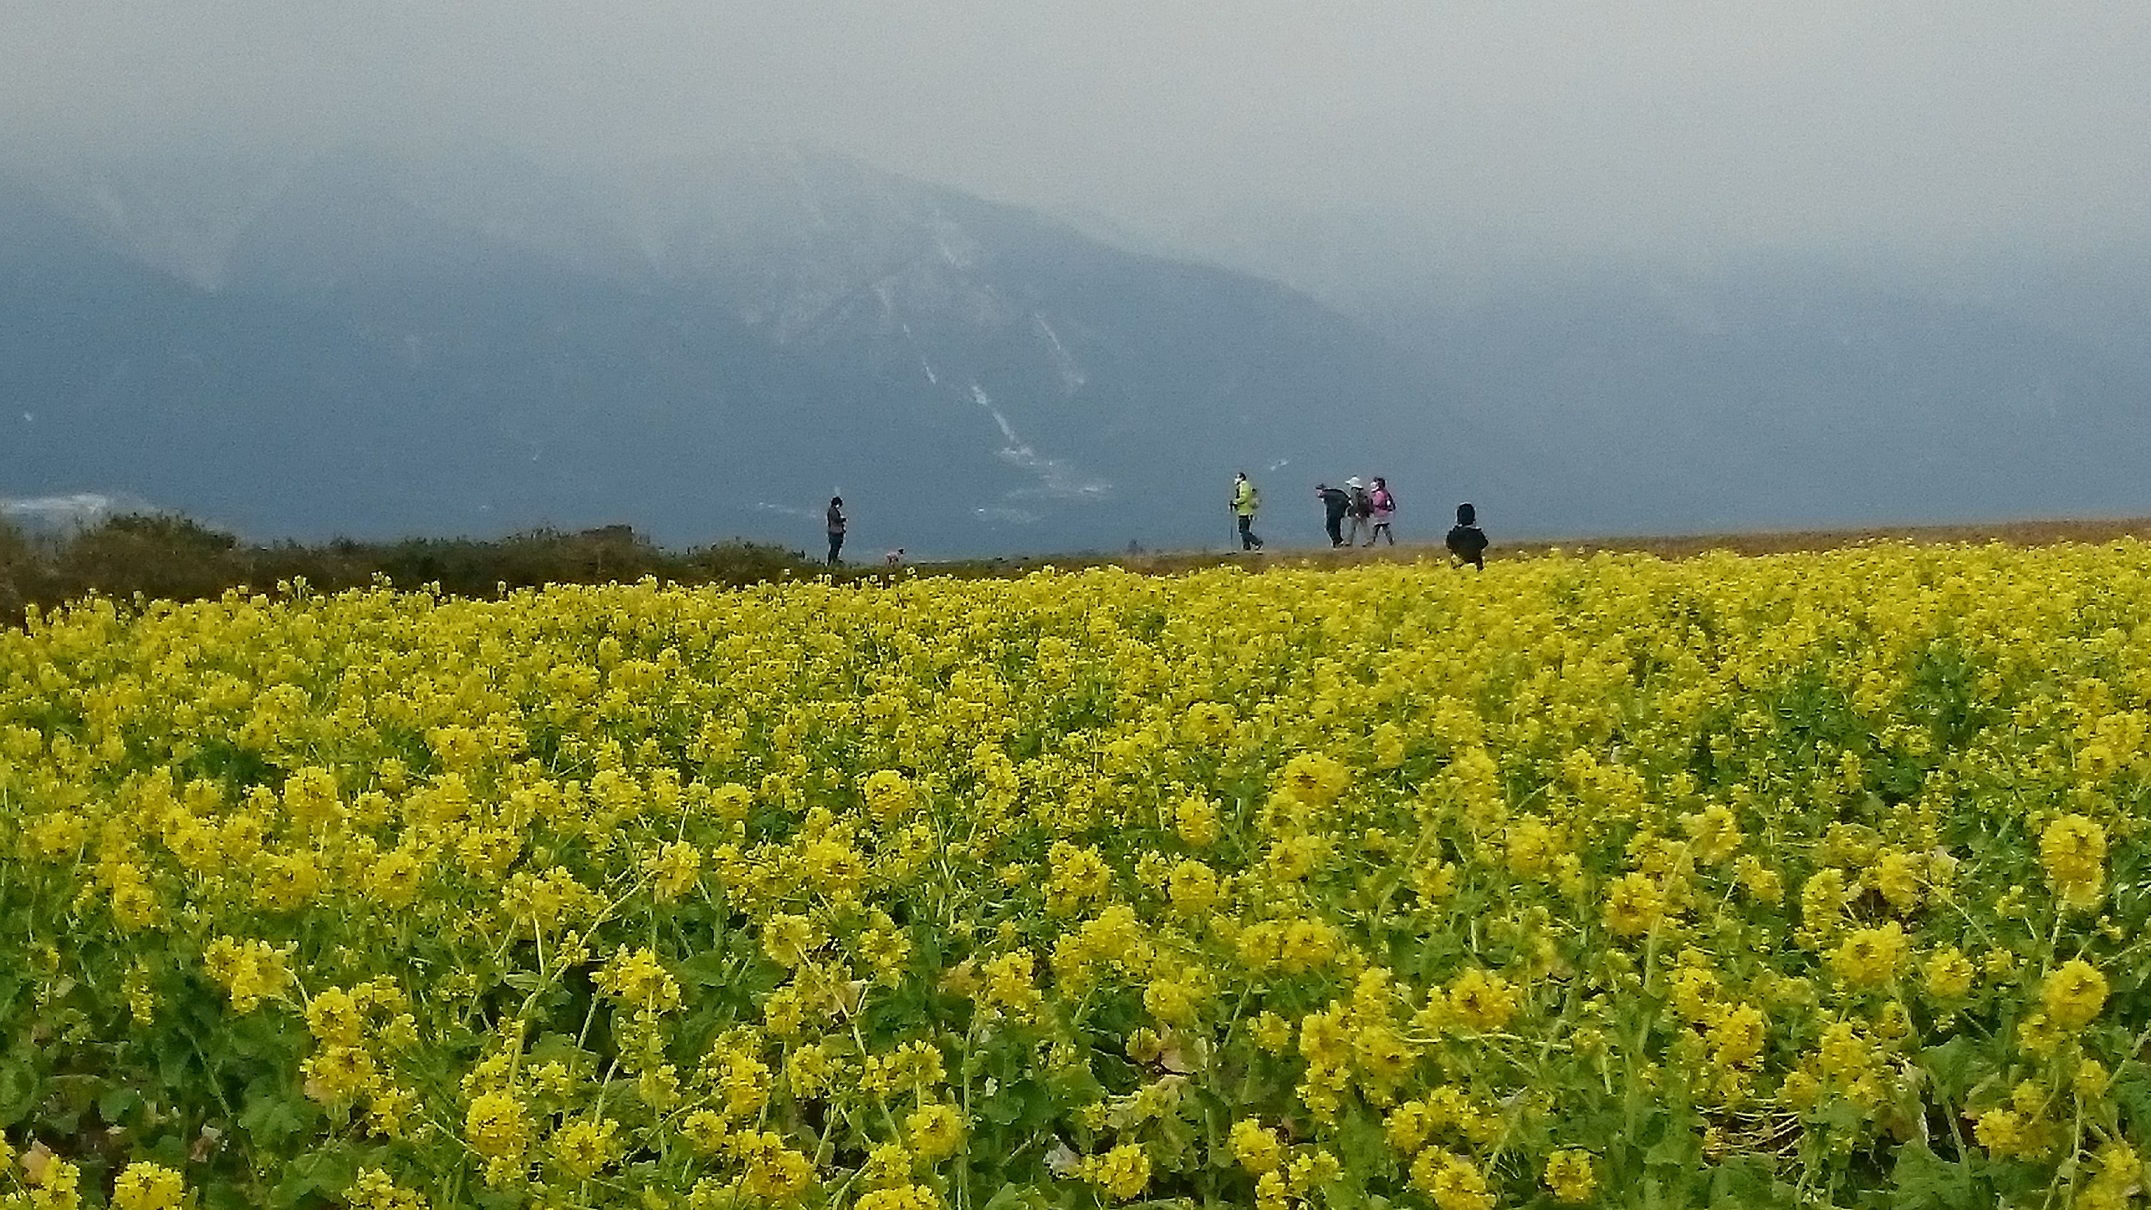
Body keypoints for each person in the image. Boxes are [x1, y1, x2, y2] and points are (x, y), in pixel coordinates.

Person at [1445, 502, 1488, 570]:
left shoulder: (1454, 533)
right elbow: (1484, 543)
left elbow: (1449, 544)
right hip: (1475, 558)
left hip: (1459, 558)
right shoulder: (1477, 534)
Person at [1231, 472, 1264, 551]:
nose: (1235, 479)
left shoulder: (1244, 485)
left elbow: (1244, 497)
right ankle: (1246, 547)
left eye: (1237, 477)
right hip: (1245, 511)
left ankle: (1257, 542)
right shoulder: (1245, 485)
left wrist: (1235, 502)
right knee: (1244, 529)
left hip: (1244, 511)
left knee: (1243, 530)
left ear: (1241, 478)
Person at [1315, 483, 1351, 547]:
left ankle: (1338, 541)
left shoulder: (1328, 494)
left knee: (1329, 528)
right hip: (1338, 514)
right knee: (1336, 528)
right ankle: (1337, 542)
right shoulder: (1334, 493)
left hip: (1333, 514)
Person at [1366, 477, 1397, 546]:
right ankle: (1391, 542)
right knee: (1384, 528)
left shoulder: (1379, 493)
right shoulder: (1385, 492)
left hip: (1379, 513)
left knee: (1377, 528)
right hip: (1384, 513)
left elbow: (1377, 502)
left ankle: (1372, 542)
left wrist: (1371, 502)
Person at [1344, 478, 1374, 546]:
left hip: (1356, 511)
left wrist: (1356, 511)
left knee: (1352, 527)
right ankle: (1369, 540)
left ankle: (1349, 542)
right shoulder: (1362, 491)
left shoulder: (1353, 490)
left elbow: (1354, 502)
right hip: (1363, 511)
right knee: (1365, 526)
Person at [825, 496, 846, 566]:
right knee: (835, 548)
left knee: (834, 548)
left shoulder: (832, 510)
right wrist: (842, 519)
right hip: (835, 532)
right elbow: (836, 519)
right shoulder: (833, 511)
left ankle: (832, 561)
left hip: (834, 532)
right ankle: (832, 562)